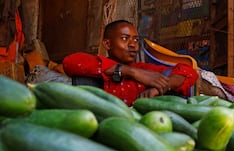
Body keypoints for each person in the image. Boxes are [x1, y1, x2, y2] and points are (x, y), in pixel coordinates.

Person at [62, 19, 199, 106]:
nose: (133, 44)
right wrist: (132, 72)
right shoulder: (99, 63)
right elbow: (70, 62)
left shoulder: (146, 69)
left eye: (135, 39)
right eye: (125, 38)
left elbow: (188, 72)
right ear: (107, 44)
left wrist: (159, 87)